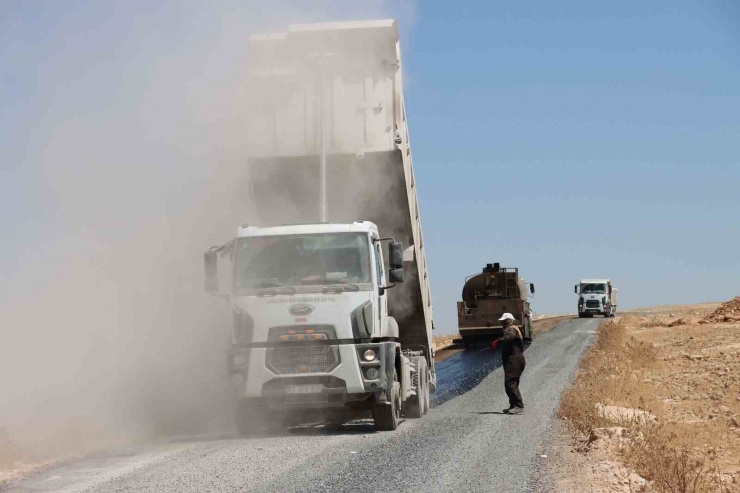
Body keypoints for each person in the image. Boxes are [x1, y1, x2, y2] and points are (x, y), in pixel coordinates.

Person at [491, 313, 526, 414]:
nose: (502, 323)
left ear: (509, 321)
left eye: (504, 321)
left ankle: (519, 406)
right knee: (511, 383)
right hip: (513, 360)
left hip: (514, 360)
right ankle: (513, 405)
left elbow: (509, 338)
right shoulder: (510, 329)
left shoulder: (512, 329)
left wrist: (498, 341)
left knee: (510, 383)